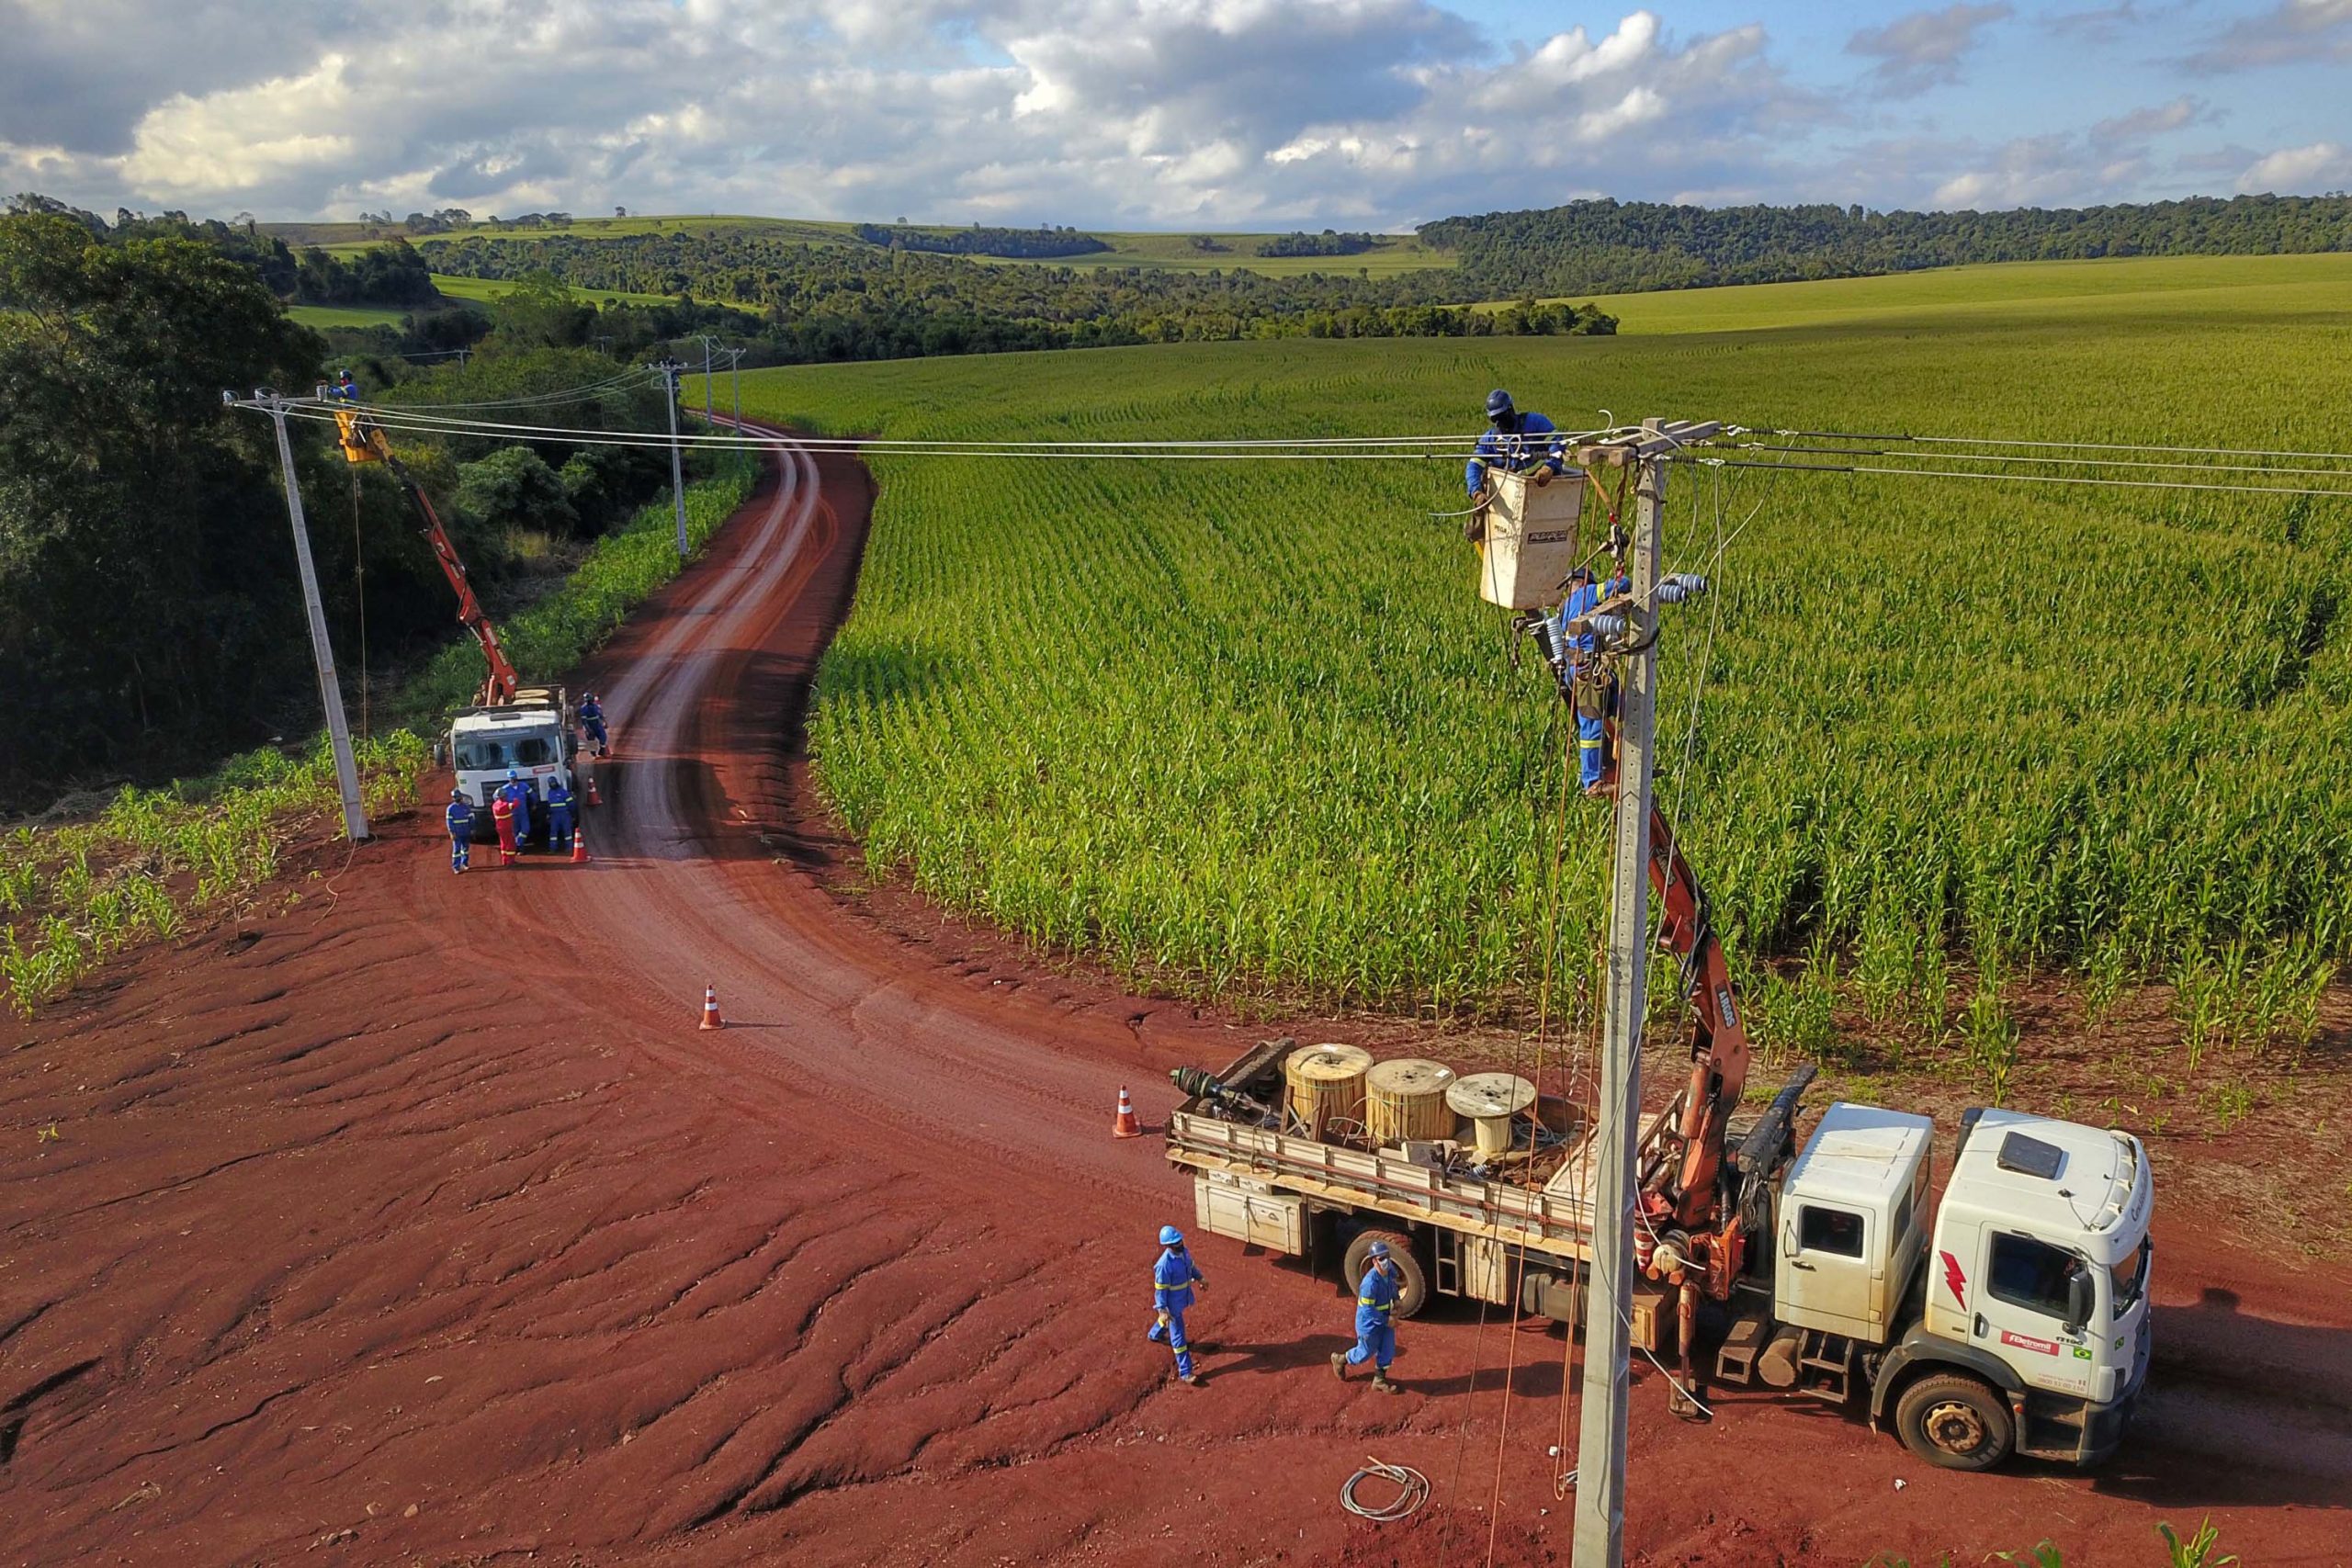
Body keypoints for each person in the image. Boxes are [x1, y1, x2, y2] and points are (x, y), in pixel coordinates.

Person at [1556, 565, 1628, 795]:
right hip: (1586, 667)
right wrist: (1621, 574)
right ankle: (1592, 781)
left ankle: (1625, 754)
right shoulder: (1586, 593)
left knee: (1614, 699)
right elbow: (1621, 585)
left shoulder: (1565, 607)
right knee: (1592, 720)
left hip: (1576, 667)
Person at [1464, 389, 1566, 502]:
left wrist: (1549, 467)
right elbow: (1474, 465)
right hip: (1508, 494)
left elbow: (1557, 442)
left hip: (1544, 491)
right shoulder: (1491, 439)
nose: (1500, 422)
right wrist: (1476, 492)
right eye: (1496, 419)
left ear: (1511, 409)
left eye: (1503, 416)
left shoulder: (1535, 423)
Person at [1331, 1240, 1403, 1393]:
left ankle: (1379, 1380)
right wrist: (1387, 1320)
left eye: (1387, 1256)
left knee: (1388, 1349)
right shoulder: (1369, 1284)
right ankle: (1341, 1359)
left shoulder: (1389, 1270)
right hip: (1369, 1323)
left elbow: (1393, 1285)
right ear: (1374, 1261)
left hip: (1385, 1319)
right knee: (1365, 1353)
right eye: (1381, 1258)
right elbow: (1368, 1310)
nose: (1385, 1261)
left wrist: (1397, 1300)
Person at [1148, 1224, 1209, 1388]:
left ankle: (1154, 1334)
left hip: (1182, 1298)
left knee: (1169, 1320)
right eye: (1176, 1242)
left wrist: (1201, 1278)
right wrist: (1162, 1310)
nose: (1180, 1243)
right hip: (1171, 1303)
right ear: (1168, 1245)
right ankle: (1186, 1372)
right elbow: (1160, 1290)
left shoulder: (1183, 1252)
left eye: (1180, 1239)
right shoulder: (1164, 1265)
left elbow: (1191, 1267)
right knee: (1179, 1337)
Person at [496, 768, 535, 851]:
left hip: (523, 812)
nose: (512, 780)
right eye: (511, 778)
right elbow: (497, 798)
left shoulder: (524, 786)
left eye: (513, 778)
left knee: (525, 829)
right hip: (512, 814)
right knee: (515, 831)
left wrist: (534, 803)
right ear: (508, 779)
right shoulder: (505, 788)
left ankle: (518, 843)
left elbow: (532, 795)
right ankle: (520, 848)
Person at [444, 787, 474, 874]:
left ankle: (464, 863)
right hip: (457, 833)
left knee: (466, 849)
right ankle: (456, 867)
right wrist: (451, 832)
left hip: (466, 832)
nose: (457, 798)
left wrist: (472, 829)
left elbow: (471, 819)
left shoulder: (466, 807)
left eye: (458, 797)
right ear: (453, 798)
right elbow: (449, 822)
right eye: (455, 797)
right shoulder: (451, 809)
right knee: (456, 850)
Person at [545, 776, 575, 856]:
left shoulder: (563, 792)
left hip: (564, 814)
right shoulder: (550, 792)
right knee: (553, 833)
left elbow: (571, 804)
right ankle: (553, 849)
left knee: (567, 832)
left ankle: (569, 848)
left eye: (554, 782)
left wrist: (572, 814)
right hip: (554, 816)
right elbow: (549, 805)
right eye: (551, 783)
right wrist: (548, 814)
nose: (553, 784)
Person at [579, 692, 610, 758]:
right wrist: (588, 729)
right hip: (589, 725)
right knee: (591, 740)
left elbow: (600, 715)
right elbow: (584, 721)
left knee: (603, 737)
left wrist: (604, 722)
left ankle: (602, 751)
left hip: (597, 724)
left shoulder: (596, 706)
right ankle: (593, 754)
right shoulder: (583, 708)